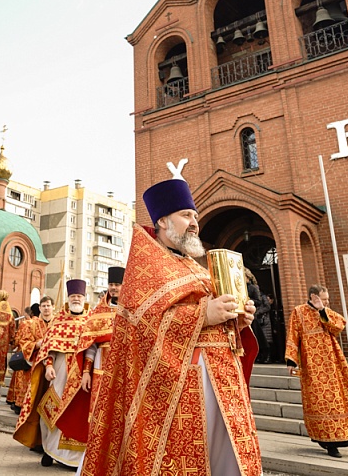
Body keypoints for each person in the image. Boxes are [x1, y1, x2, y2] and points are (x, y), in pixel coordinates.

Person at [81, 176, 261, 476]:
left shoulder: (195, 267)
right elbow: (142, 325)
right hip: (181, 386)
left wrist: (237, 320)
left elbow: (214, 320)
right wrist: (204, 315)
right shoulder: (147, 268)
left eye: (196, 217)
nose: (195, 223)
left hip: (223, 382)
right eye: (186, 215)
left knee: (227, 458)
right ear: (163, 221)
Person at [285, 284, 348, 458]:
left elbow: (339, 326)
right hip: (311, 364)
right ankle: (325, 439)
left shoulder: (326, 312)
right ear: (313, 297)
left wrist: (322, 310)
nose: (327, 302)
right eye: (324, 299)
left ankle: (338, 440)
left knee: (336, 401)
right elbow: (293, 335)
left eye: (327, 299)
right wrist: (291, 360)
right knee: (318, 403)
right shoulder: (298, 312)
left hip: (332, 363)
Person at [14, 280, 93, 468]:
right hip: (59, 371)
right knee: (50, 410)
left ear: (84, 298)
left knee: (77, 414)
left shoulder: (91, 320)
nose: (76, 299)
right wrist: (48, 366)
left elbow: (93, 348)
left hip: (83, 375)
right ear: (68, 298)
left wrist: (88, 371)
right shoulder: (59, 320)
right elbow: (48, 348)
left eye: (79, 296)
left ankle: (74, 460)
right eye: (73, 296)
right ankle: (49, 450)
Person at [81, 266, 123, 409]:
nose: (113, 288)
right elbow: (90, 344)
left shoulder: (132, 309)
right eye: (111, 284)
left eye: (117, 284)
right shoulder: (99, 311)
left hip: (123, 367)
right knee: (99, 406)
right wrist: (86, 372)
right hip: (100, 366)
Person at [7, 302, 41, 413]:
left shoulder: (26, 323)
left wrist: (14, 345)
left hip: (24, 355)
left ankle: (18, 403)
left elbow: (18, 340)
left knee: (21, 381)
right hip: (38, 357)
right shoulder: (45, 325)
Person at [245, 269, 271, 363]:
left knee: (257, 336)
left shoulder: (253, 287)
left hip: (253, 315)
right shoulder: (242, 287)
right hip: (245, 314)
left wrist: (248, 300)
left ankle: (263, 355)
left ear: (248, 277)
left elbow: (259, 301)